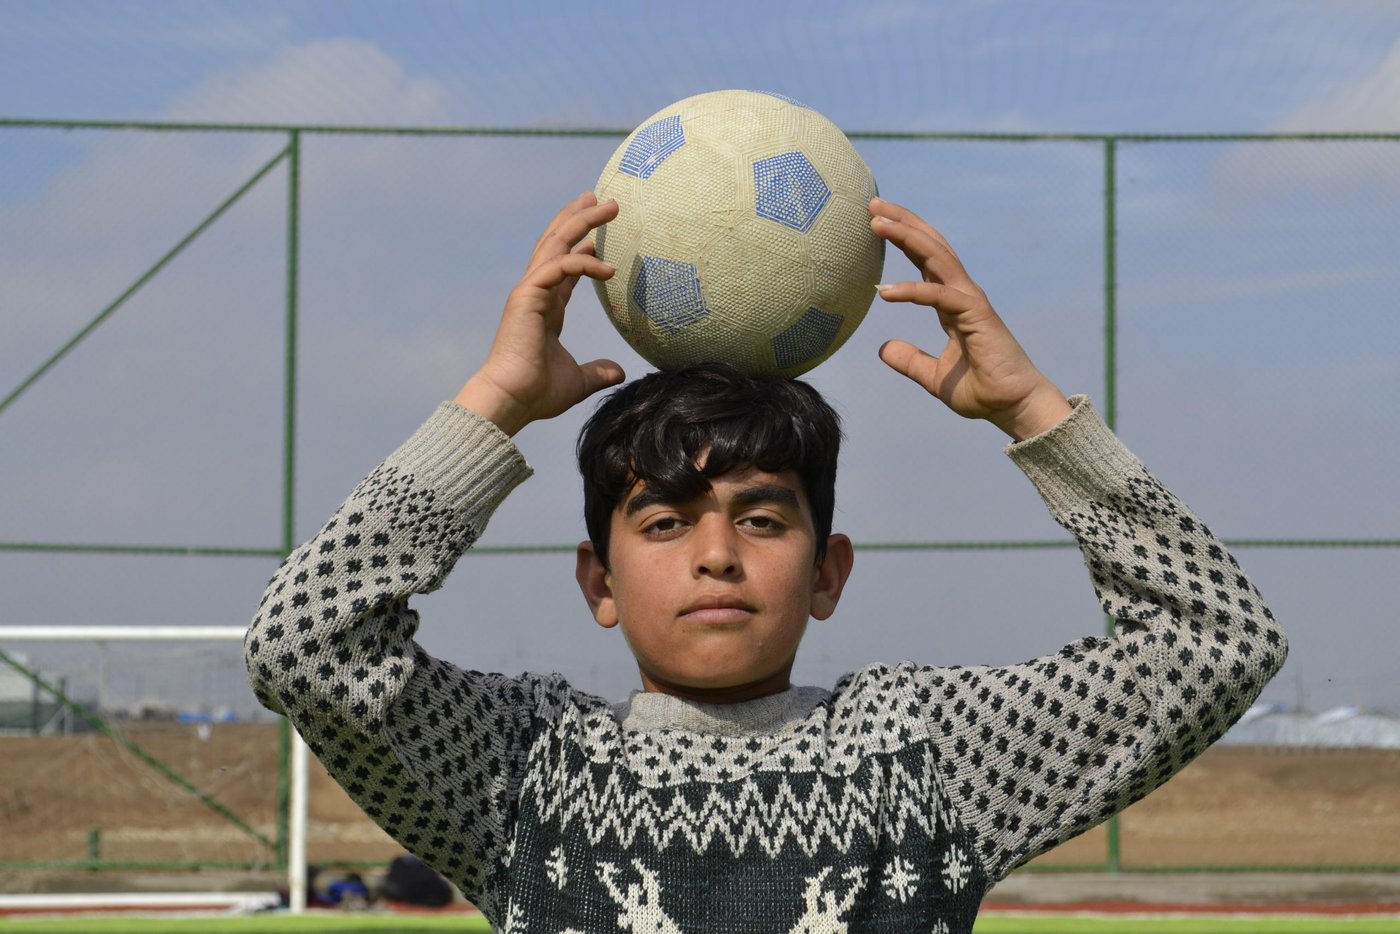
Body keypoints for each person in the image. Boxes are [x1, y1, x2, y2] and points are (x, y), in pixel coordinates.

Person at [245, 192, 1286, 931]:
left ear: (827, 570)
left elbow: (1216, 641)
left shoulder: (926, 756)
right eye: (663, 523)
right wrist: (492, 406)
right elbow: (306, 645)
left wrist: (1034, 413)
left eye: (760, 519)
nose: (714, 556)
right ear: (595, 581)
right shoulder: (523, 769)